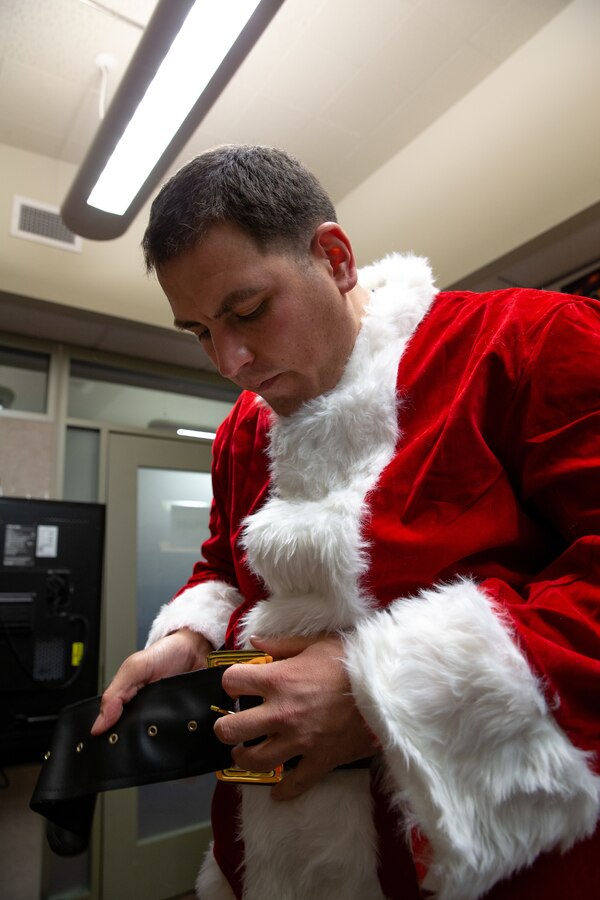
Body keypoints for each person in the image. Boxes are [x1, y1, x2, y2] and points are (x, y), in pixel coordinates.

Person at [91, 145, 600, 900]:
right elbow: (225, 570)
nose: (229, 359)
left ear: (334, 257)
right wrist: (187, 637)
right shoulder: (242, 432)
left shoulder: (532, 342)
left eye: (248, 310)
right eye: (199, 331)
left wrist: (377, 696)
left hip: (495, 869)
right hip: (265, 860)